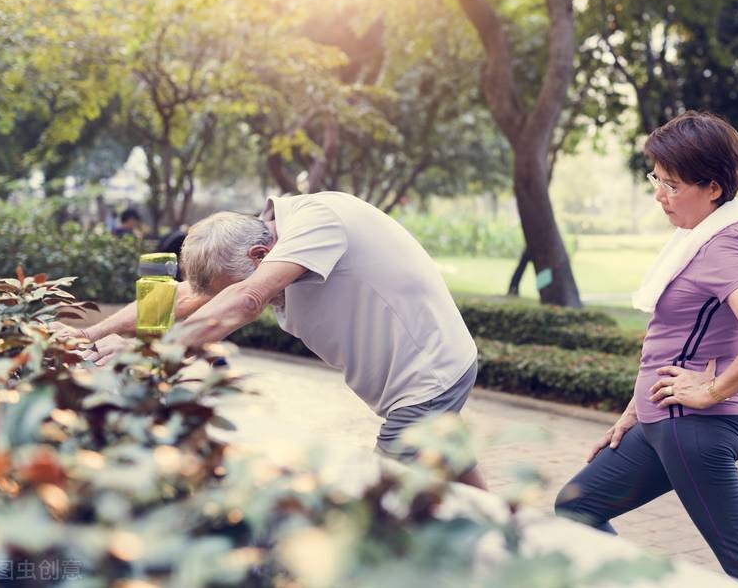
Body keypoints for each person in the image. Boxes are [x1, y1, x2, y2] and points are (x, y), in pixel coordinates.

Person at [54, 192, 487, 489]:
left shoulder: (317, 222)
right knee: (472, 494)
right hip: (419, 377)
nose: (225, 295)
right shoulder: (267, 236)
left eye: (229, 285)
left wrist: (144, 352)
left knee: (383, 512)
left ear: (261, 257)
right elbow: (184, 296)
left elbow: (245, 298)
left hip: (426, 379)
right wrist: (90, 334)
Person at [554, 112, 738, 587]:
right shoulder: (695, 240)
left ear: (712, 188)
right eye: (658, 179)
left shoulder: (723, 250)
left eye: (672, 185)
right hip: (661, 423)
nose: (659, 194)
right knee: (577, 506)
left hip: (694, 430)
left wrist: (712, 390)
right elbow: (671, 342)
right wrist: (633, 410)